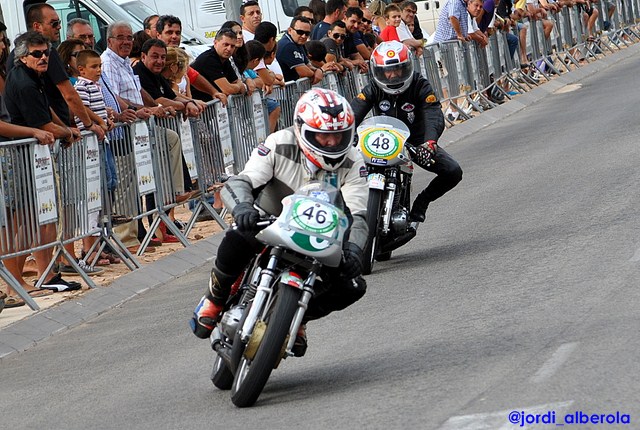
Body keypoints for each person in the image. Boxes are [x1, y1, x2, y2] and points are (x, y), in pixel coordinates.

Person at [190, 88, 369, 357]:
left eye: (338, 136)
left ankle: (297, 317)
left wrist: (354, 250)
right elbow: (242, 180)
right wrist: (242, 208)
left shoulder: (355, 162)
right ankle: (214, 300)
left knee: (353, 286)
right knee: (237, 236)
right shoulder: (278, 142)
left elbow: (359, 215)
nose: (332, 143)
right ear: (302, 129)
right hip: (268, 221)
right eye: (324, 135)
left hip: (321, 236)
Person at [4, 31, 83, 292]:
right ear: (23, 57)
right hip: (19, 158)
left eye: (46, 52)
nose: (43, 58)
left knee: (41, 218)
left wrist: (66, 128)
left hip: (33, 155)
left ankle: (46, 273)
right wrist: (67, 132)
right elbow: (41, 124)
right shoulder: (22, 81)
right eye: (36, 54)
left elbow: (47, 111)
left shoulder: (34, 76)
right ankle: (14, 283)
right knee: (18, 222)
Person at [350, 41, 462, 223]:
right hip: (380, 139)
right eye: (387, 71)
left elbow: (432, 113)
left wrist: (430, 142)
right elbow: (354, 111)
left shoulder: (420, 85)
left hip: (414, 142)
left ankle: (421, 203)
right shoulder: (373, 88)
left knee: (453, 171)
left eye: (398, 69)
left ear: (407, 67)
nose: (392, 75)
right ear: (378, 71)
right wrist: (345, 134)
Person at [276, 16, 328, 84]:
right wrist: (317, 72)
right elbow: (304, 72)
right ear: (289, 30)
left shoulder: (299, 43)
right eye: (300, 32)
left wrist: (318, 70)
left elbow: (308, 66)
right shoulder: (287, 45)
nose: (303, 36)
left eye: (307, 33)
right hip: (285, 90)